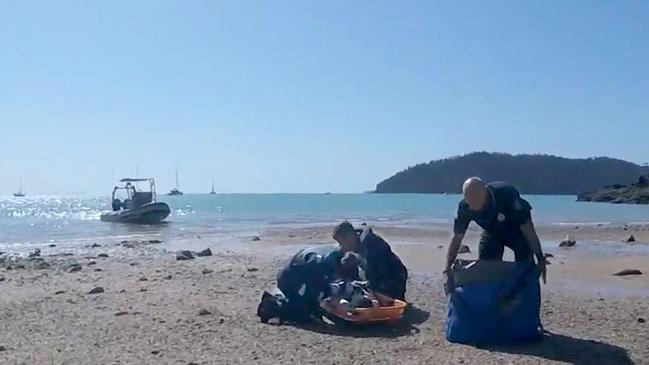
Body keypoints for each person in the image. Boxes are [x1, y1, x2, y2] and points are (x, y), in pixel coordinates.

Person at [444, 177, 546, 293]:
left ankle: (521, 299)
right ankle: (495, 301)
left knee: (525, 267)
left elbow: (528, 229)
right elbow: (457, 238)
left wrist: (540, 258)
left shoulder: (506, 194)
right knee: (487, 270)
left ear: (485, 195)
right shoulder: (465, 207)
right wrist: (447, 268)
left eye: (474, 200)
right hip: (492, 232)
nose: (471, 206)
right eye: (468, 200)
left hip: (517, 232)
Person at [332, 222, 408, 301]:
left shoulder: (371, 246)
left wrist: (364, 284)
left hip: (394, 277)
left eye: (341, 242)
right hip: (379, 274)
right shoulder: (357, 242)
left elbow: (379, 272)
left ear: (349, 237)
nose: (341, 246)